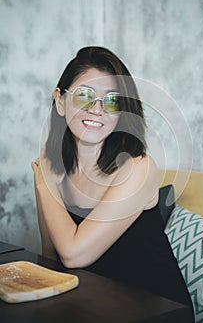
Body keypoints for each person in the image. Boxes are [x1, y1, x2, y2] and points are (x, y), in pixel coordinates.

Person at [32, 46, 194, 320]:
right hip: (93, 308)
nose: (97, 110)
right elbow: (52, 258)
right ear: (60, 101)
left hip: (158, 312)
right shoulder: (51, 171)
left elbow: (73, 255)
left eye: (111, 101)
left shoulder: (138, 168)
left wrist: (45, 183)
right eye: (85, 96)